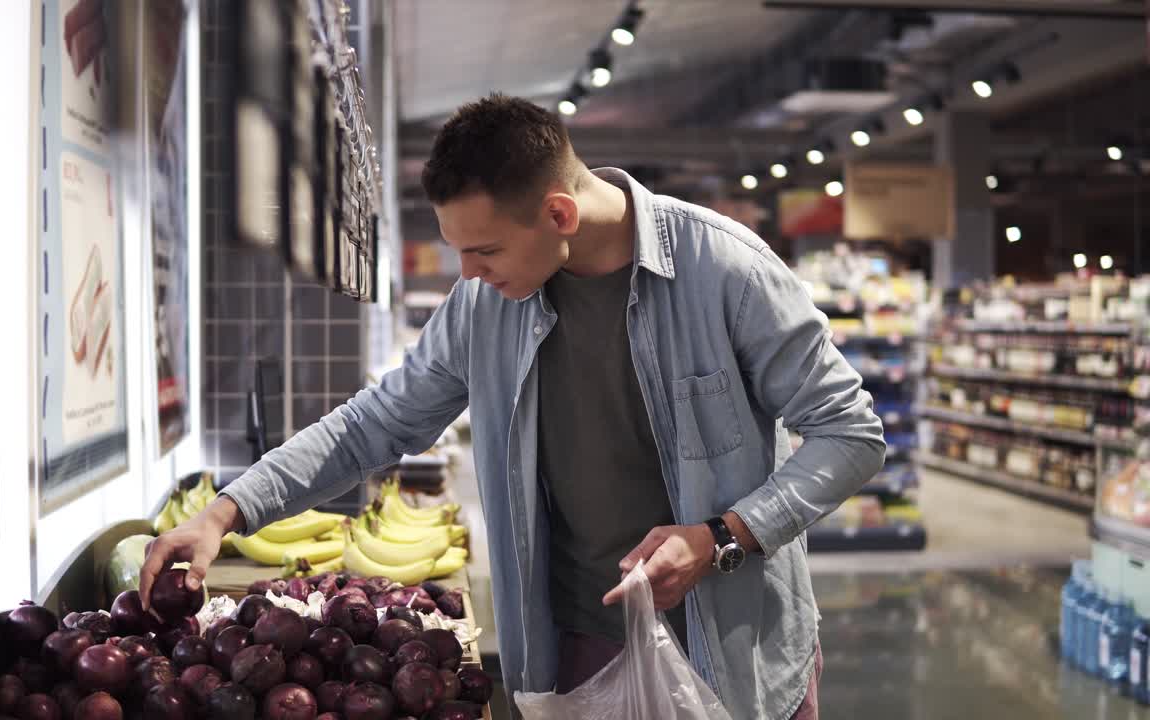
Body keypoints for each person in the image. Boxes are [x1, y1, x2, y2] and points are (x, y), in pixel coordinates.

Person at [141, 94, 885, 720]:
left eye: (486, 251)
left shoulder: (725, 272)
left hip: (729, 648)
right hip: (573, 647)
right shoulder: (481, 306)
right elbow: (377, 421)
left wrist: (723, 535)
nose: (466, 274)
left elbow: (850, 433)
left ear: (559, 213)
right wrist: (226, 512)